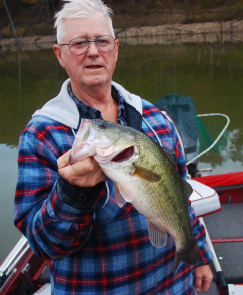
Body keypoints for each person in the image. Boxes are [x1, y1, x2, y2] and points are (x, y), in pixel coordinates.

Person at [14, 0, 213, 293]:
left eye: (102, 41)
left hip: (172, 285)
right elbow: (46, 246)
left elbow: (178, 200)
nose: (93, 51)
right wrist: (73, 194)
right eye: (79, 42)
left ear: (115, 49)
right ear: (60, 54)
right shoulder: (41, 136)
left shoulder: (159, 121)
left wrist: (200, 257)